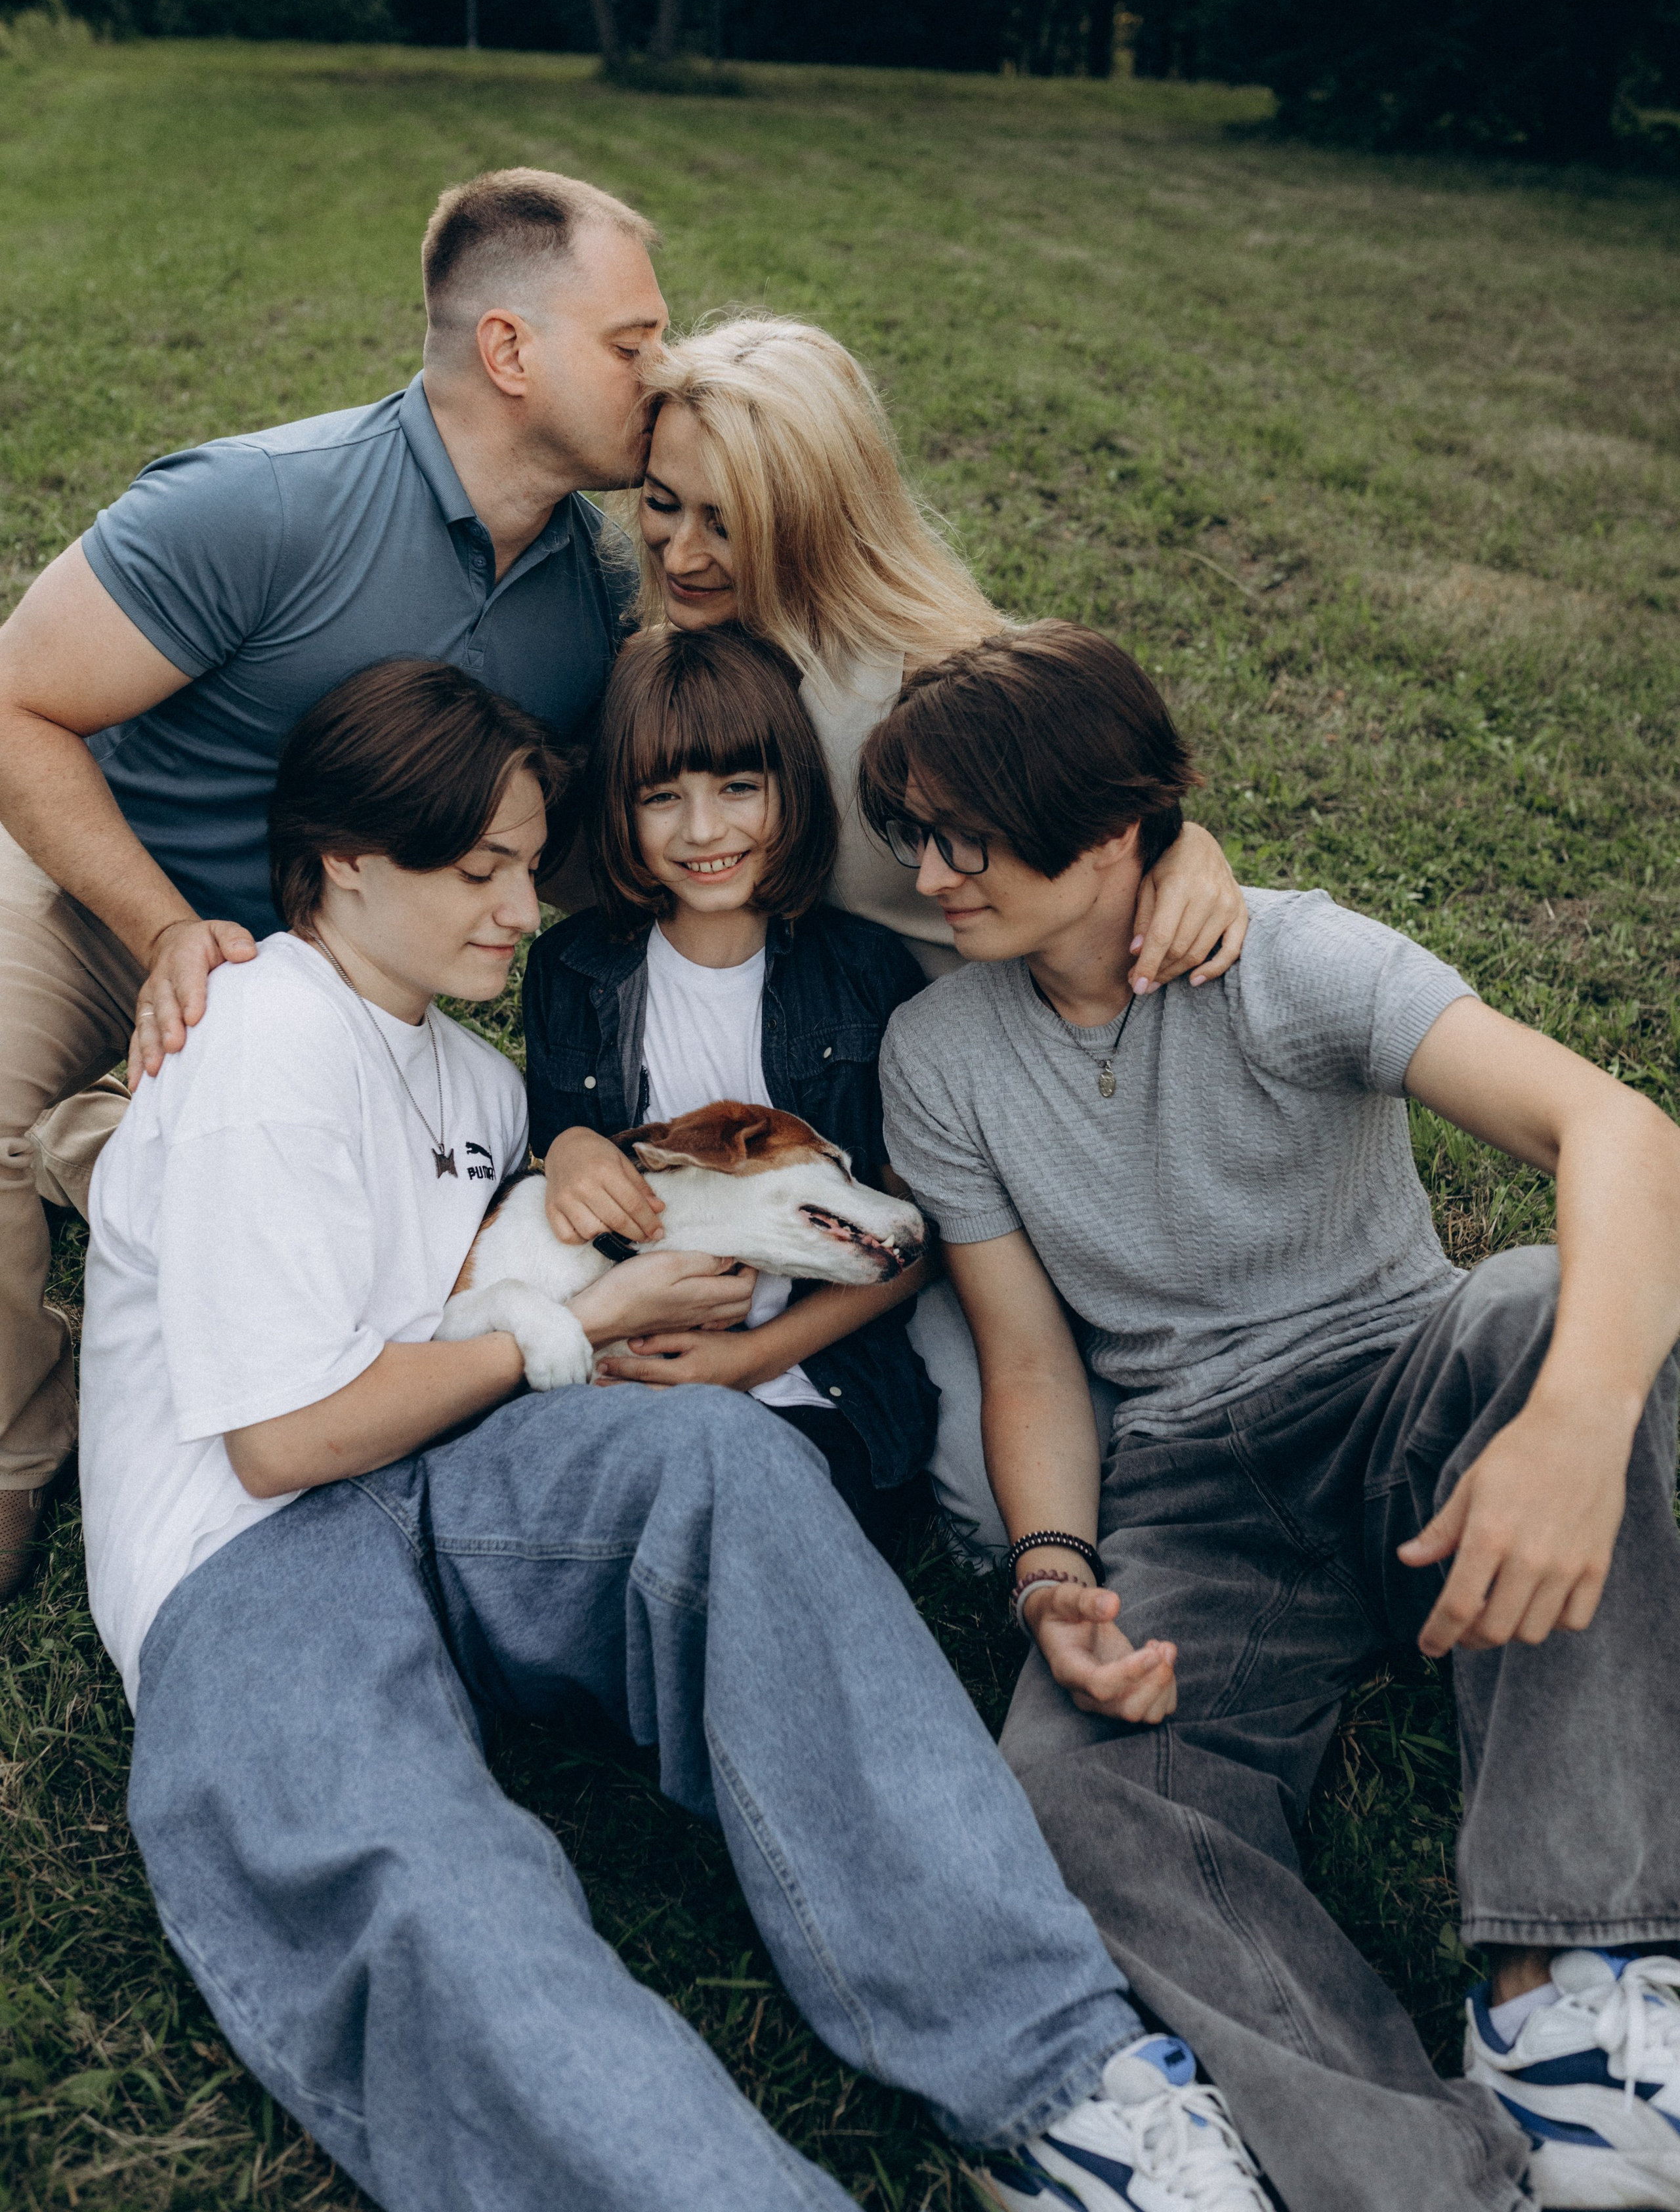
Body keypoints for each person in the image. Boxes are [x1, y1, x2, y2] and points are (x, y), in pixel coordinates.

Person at [80, 654, 1275, 2212]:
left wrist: (1178, 843)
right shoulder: (264, 1039)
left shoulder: (469, 1066)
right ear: (344, 864)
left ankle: (1065, 2081)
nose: (520, 908)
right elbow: (284, 1442)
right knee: (429, 1886)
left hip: (464, 1480)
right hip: (251, 1562)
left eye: (526, 865)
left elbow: (559, 1222)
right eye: (479, 871)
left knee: (731, 1464)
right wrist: (582, 1326)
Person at [864, 621, 1680, 2212]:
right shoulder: (936, 1051)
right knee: (1070, 1779)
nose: (930, 871)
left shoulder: (1289, 958)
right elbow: (1027, 1355)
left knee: (1533, 1302)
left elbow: (1616, 1128)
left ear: (1108, 831)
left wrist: (1575, 1425)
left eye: (963, 834)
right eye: (911, 832)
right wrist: (1052, 1576)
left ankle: (1566, 1998)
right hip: (1191, 1482)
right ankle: (1416, 2173)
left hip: (1400, 1387)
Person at [0, 164, 667, 1598]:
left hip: (354, 965)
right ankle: (13, 1484)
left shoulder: (596, 594)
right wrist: (166, 928)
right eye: (631, 342)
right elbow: (15, 704)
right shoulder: (260, 508)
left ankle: (128, 1162)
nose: (659, 373)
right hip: (111, 893)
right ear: (509, 350)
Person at [627, 312, 1251, 1548]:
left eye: (728, 523)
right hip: (853, 1113)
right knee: (970, 1487)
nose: (683, 553)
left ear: (813, 514)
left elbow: (1104, 807)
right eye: (661, 505)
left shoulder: (918, 676)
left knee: (1027, 1463)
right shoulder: (666, 675)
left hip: (1007, 1091)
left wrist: (1194, 848)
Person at [522, 622, 935, 1556]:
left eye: (739, 788)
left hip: (817, 1378)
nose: (703, 831)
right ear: (619, 813)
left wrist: (748, 1360)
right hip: (627, 1364)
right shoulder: (571, 971)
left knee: (759, 1537)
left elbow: (916, 1238)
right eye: (662, 797)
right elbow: (556, 1159)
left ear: (792, 786)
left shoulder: (865, 974)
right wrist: (572, 1150)